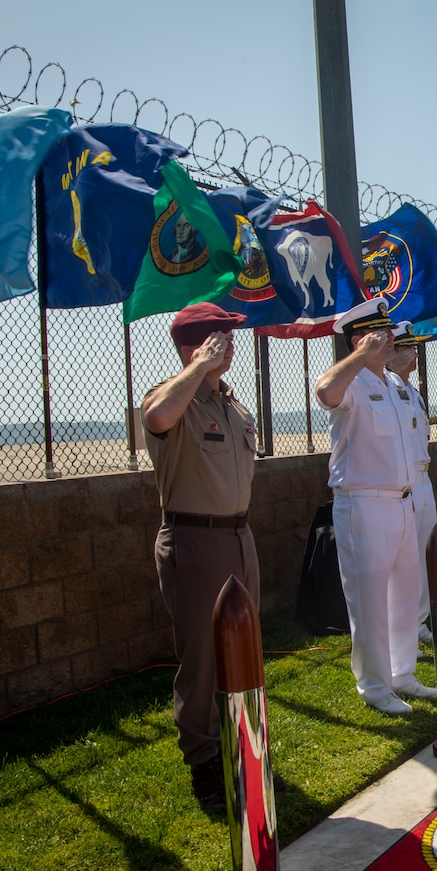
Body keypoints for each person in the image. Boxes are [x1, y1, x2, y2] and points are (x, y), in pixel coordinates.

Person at [141, 301, 260, 811]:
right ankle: (205, 763)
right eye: (220, 337)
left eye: (230, 336)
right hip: (195, 540)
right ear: (194, 346)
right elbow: (157, 416)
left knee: (245, 645)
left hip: (239, 537)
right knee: (204, 659)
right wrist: (196, 367)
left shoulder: (232, 405)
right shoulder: (175, 397)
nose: (230, 344)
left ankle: (243, 744)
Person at [315, 298, 436, 715]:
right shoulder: (352, 382)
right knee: (368, 599)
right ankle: (373, 685)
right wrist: (360, 356)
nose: (390, 341)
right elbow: (325, 392)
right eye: (380, 336)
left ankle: (403, 673)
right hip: (364, 504)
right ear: (358, 339)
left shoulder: (394, 384)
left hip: (402, 501)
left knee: (405, 593)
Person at [386, 320, 435, 645]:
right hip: (399, 482)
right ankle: (399, 631)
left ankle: (417, 623)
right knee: (400, 563)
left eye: (415, 347)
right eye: (406, 347)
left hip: (422, 479)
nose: (414, 352)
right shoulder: (385, 386)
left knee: (423, 555)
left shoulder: (411, 392)